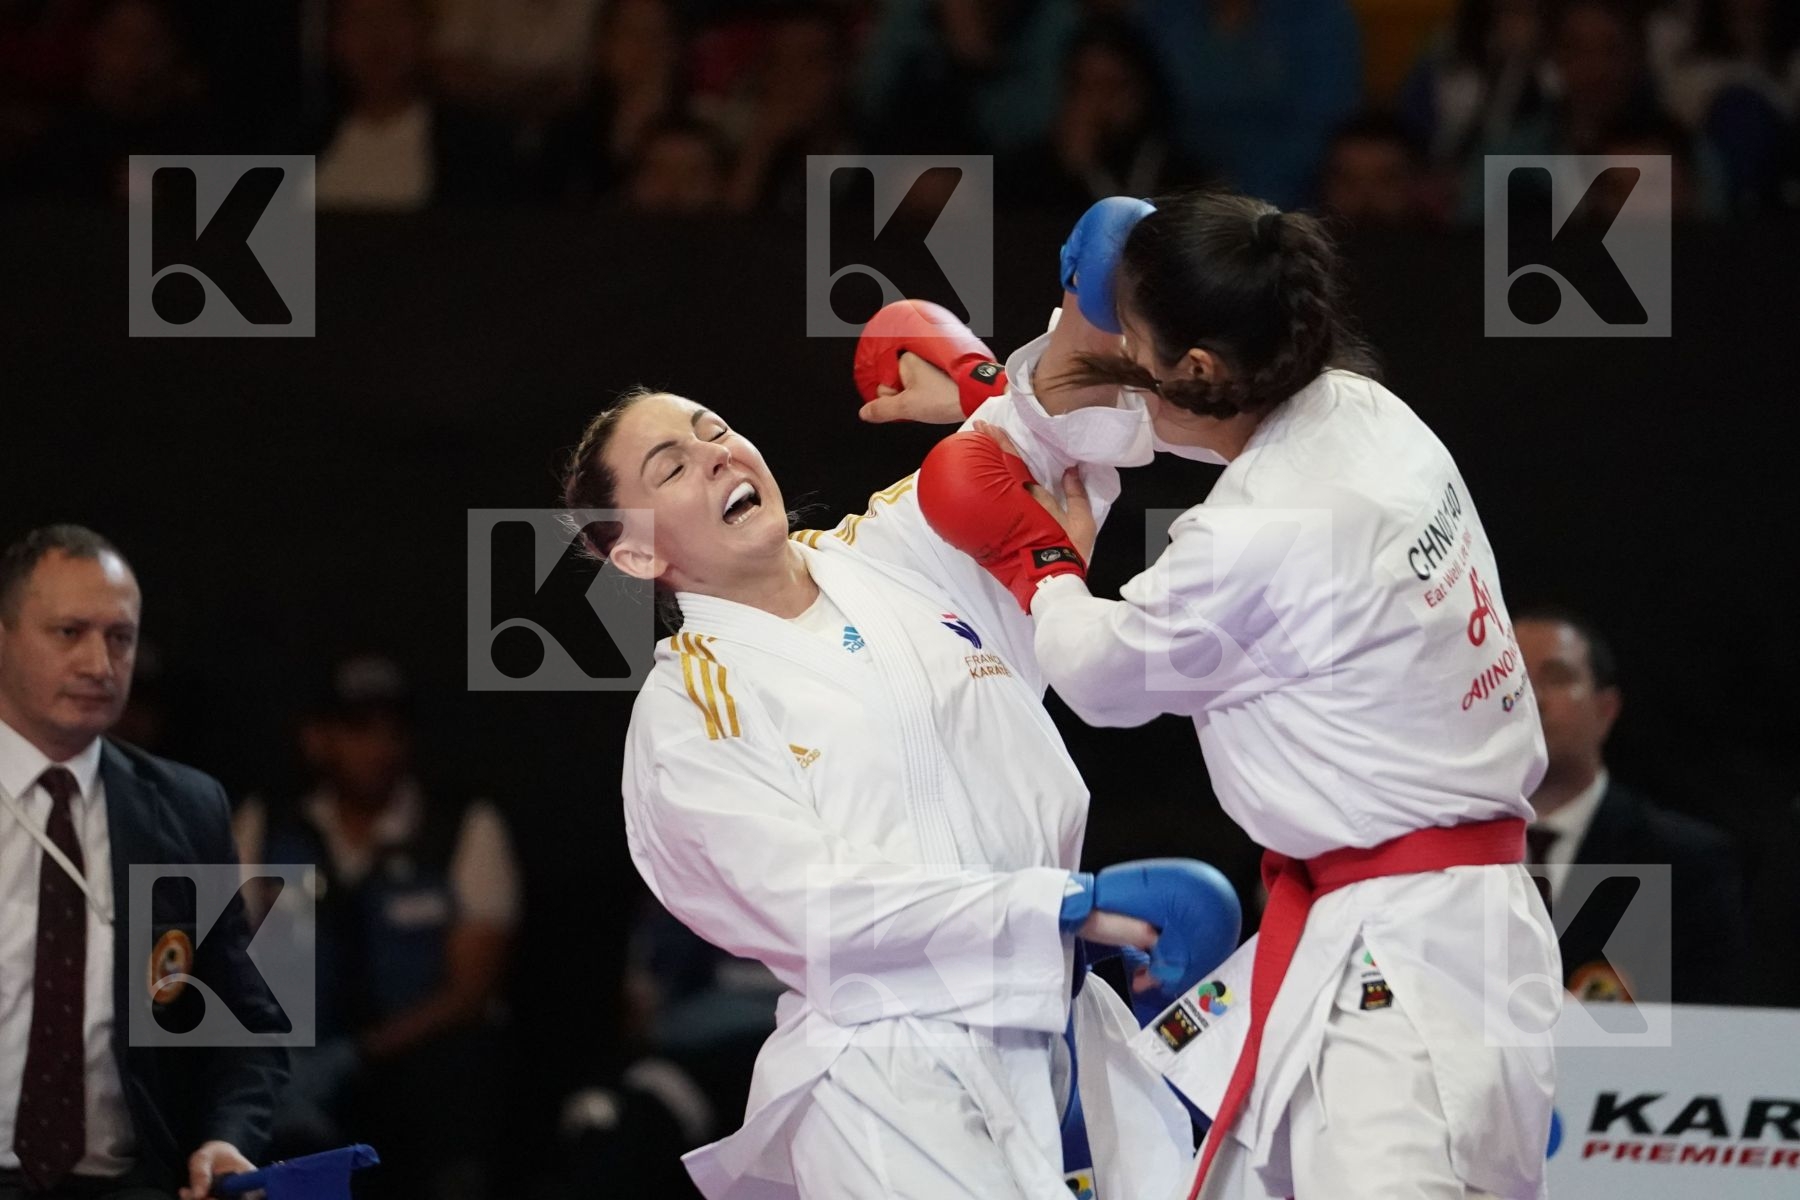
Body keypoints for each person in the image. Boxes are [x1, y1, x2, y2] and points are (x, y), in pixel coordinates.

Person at [917, 192, 1560, 1200]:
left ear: (1200, 368)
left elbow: (1102, 676)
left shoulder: (1261, 530)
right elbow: (1166, 420)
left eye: (1135, 348)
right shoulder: (1361, 410)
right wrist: (1001, 395)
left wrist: (1040, 560)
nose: (1125, 365)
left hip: (1400, 955)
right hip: (1438, 923)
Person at [560, 298, 1243, 1199]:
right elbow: (817, 906)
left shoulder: (896, 548)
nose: (716, 454)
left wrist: (1068, 315)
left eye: (714, 430)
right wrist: (1060, 905)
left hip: (1068, 1025)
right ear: (638, 554)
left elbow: (1050, 423)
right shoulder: (687, 713)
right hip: (889, 1077)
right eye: (672, 466)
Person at [0, 525, 287, 1200]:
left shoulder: (190, 806)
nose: (100, 664)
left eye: (120, 638)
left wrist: (228, 1136)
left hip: (127, 1182)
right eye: (69, 632)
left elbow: (252, 1022)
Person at [234, 654, 520, 1200]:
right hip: (293, 1063)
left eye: (392, 732)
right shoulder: (269, 823)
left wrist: (358, 1053)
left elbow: (472, 990)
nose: (378, 749)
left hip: (417, 1062)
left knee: (463, 1074)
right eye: (358, 730)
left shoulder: (462, 826)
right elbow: (222, 954)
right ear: (317, 739)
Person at [1513, 605, 1748, 1005]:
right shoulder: (1437, 855)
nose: (1529, 697)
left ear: (1605, 710)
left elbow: (1710, 1022)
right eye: (1512, 677)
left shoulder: (1685, 863)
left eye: (1556, 677)